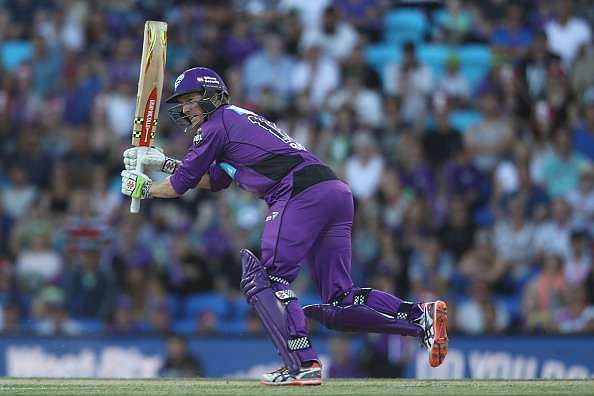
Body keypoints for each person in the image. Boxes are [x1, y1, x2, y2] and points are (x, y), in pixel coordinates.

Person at [120, 67, 448, 386]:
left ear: (211, 95)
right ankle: (420, 318)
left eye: (190, 99)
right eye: (182, 102)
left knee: (265, 279)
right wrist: (160, 162)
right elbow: (215, 180)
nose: (185, 108)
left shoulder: (214, 126)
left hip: (297, 193)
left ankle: (302, 364)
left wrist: (145, 188)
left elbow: (179, 186)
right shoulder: (234, 119)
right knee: (339, 302)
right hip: (333, 192)